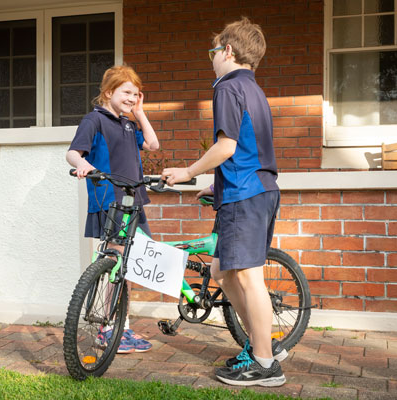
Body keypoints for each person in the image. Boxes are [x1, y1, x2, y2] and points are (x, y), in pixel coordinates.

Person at [162, 17, 286, 387]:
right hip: (251, 190)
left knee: (248, 277)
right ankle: (263, 346)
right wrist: (217, 186)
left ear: (227, 51)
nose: (211, 59)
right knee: (221, 272)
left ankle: (265, 364)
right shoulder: (254, 89)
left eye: (213, 52)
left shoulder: (227, 87)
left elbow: (227, 146)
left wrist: (187, 172)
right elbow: (250, 149)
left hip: (247, 195)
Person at [66, 65, 158, 354]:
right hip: (110, 200)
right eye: (126, 92)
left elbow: (153, 144)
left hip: (134, 200)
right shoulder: (94, 120)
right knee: (116, 263)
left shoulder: (129, 124)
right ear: (108, 92)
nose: (132, 98)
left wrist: (140, 112)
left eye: (135, 93)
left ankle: (122, 326)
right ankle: (108, 329)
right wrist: (83, 165)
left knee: (129, 264)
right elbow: (72, 152)